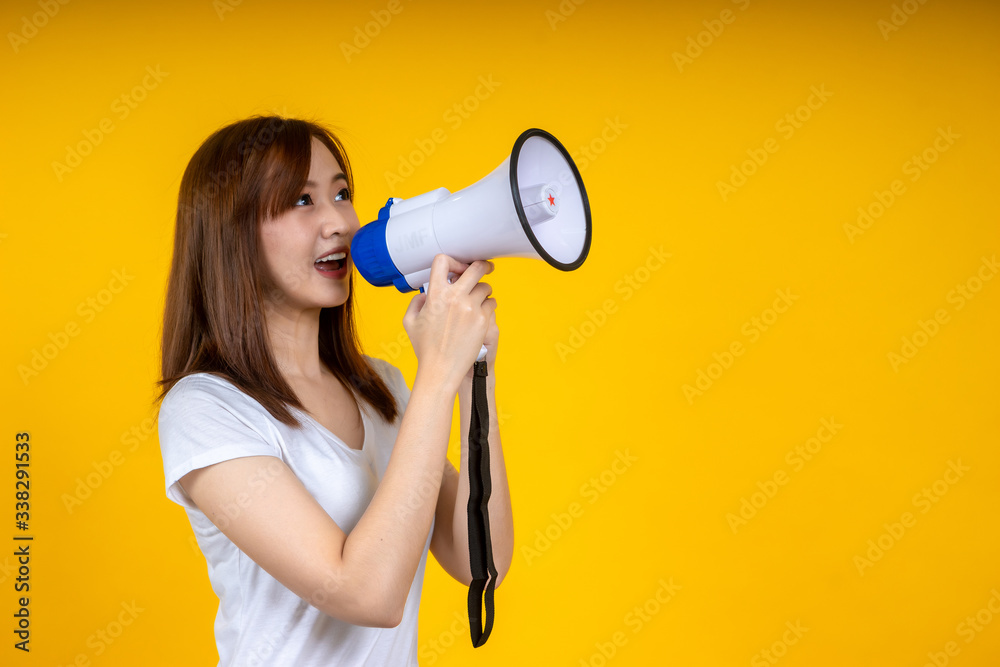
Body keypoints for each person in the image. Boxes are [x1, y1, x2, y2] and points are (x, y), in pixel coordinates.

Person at [155, 115, 513, 666]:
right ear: (231, 232)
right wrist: (438, 374)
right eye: (301, 201)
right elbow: (365, 593)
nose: (339, 223)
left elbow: (478, 559)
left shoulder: (383, 389)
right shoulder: (205, 409)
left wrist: (467, 373)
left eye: (342, 194)